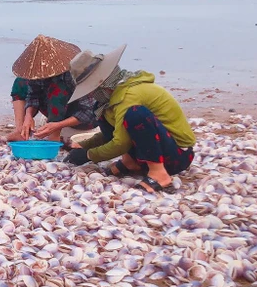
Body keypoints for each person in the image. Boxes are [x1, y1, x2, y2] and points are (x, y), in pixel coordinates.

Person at [63, 44, 196, 194]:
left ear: (102, 84)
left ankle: (159, 174)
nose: (91, 94)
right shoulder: (114, 95)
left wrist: (89, 155)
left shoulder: (129, 96)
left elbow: (120, 143)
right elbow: (117, 132)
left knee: (135, 115)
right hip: (156, 149)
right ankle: (130, 162)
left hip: (177, 156)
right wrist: (83, 145)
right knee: (102, 111)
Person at [6, 35, 98, 145]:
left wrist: (57, 125)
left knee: (57, 89)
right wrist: (28, 115)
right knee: (20, 81)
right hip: (55, 112)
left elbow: (89, 112)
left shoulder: (73, 74)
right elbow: (33, 95)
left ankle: (54, 138)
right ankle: (20, 131)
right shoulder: (36, 71)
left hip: (82, 118)